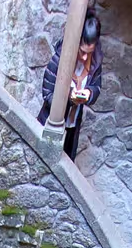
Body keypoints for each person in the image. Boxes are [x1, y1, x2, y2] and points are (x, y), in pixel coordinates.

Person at [37, 12, 103, 161]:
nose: (85, 57)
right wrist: (71, 97)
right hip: (50, 123)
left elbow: (97, 87)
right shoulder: (59, 59)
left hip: (72, 128)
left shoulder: (95, 63)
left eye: (89, 53)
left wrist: (89, 94)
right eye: (82, 52)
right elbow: (48, 94)